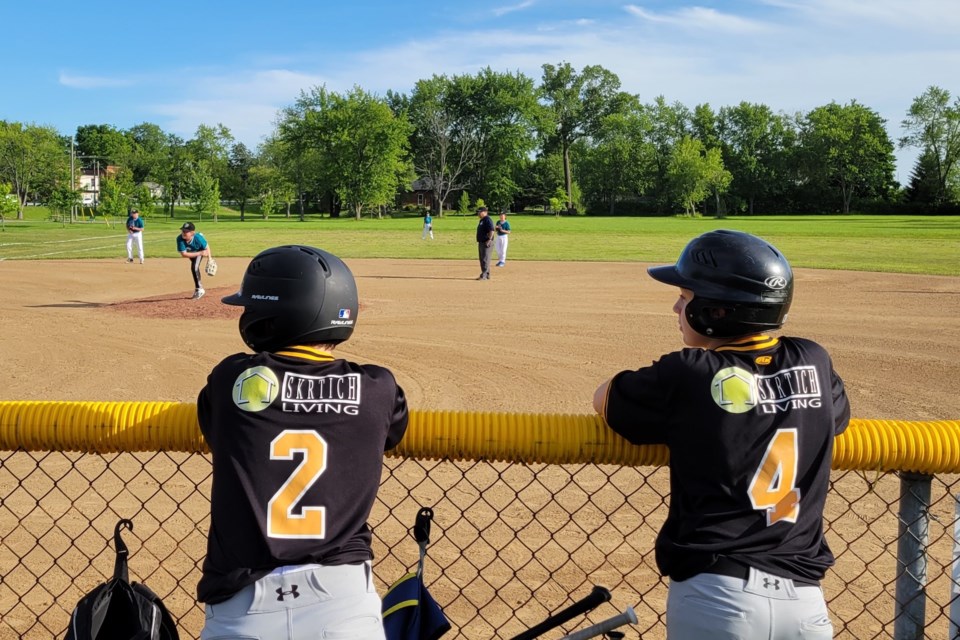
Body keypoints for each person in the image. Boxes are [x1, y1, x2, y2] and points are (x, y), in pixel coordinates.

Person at [593, 230, 849, 640]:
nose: (676, 306)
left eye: (686, 297)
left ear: (715, 312)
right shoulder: (813, 360)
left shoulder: (689, 372)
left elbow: (607, 397)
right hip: (805, 606)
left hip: (718, 596)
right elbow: (835, 416)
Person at [196, 244, 409, 640]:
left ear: (269, 315)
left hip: (244, 609)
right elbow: (391, 434)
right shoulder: (378, 387)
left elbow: (214, 425)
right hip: (344, 605)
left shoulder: (232, 380)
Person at [176, 221, 211, 299]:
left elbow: (206, 247)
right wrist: (200, 253)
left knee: (194, 267)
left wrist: (210, 259)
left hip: (199, 249)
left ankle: (199, 289)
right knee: (195, 268)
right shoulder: (180, 239)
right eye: (183, 231)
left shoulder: (198, 238)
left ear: (192, 233)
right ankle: (198, 289)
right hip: (194, 253)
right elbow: (184, 254)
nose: (183, 233)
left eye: (186, 231)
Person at [475, 206, 494, 280]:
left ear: (485, 212)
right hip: (482, 242)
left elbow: (491, 230)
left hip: (486, 242)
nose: (478, 213)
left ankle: (484, 275)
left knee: (485, 259)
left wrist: (489, 239)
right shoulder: (482, 220)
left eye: (480, 212)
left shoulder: (487, 220)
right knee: (482, 258)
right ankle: (487, 274)